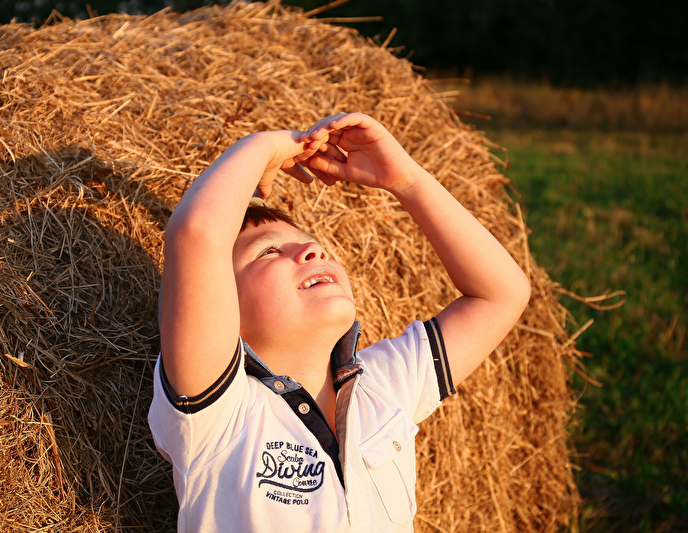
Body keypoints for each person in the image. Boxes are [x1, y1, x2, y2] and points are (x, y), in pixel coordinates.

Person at [148, 112, 530, 532]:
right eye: (269, 251)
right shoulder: (222, 414)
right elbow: (197, 234)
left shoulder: (382, 387)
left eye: (313, 245)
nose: (312, 252)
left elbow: (502, 295)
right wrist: (267, 146)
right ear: (222, 303)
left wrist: (407, 181)